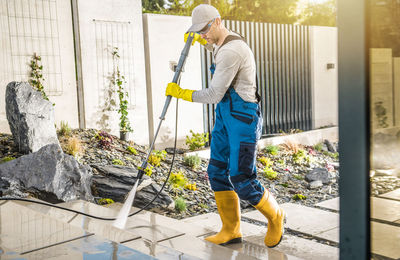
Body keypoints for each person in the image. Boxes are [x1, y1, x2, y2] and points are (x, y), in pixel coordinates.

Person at [165, 4, 285, 248]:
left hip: (243, 119)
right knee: (217, 171)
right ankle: (231, 230)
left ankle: (276, 216)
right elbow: (214, 46)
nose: (203, 34)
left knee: (241, 178)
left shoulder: (233, 50)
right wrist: (202, 41)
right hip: (224, 118)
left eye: (205, 29)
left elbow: (213, 94)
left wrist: (181, 93)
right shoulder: (220, 43)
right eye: (199, 31)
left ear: (217, 21)